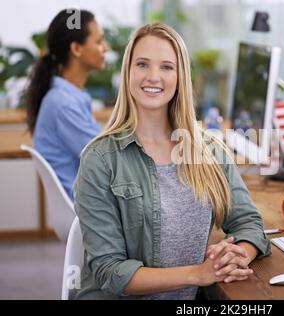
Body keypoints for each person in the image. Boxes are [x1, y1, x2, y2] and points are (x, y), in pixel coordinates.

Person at [73, 23, 270, 300]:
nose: (153, 76)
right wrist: (198, 274)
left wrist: (237, 255)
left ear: (180, 77)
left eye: (167, 67)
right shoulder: (100, 160)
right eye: (142, 64)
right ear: (128, 72)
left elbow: (248, 222)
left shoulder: (209, 151)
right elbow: (110, 271)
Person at [26, 9, 109, 200]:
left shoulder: (67, 98)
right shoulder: (63, 104)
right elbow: (108, 161)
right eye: (98, 41)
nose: (106, 48)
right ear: (76, 49)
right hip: (87, 215)